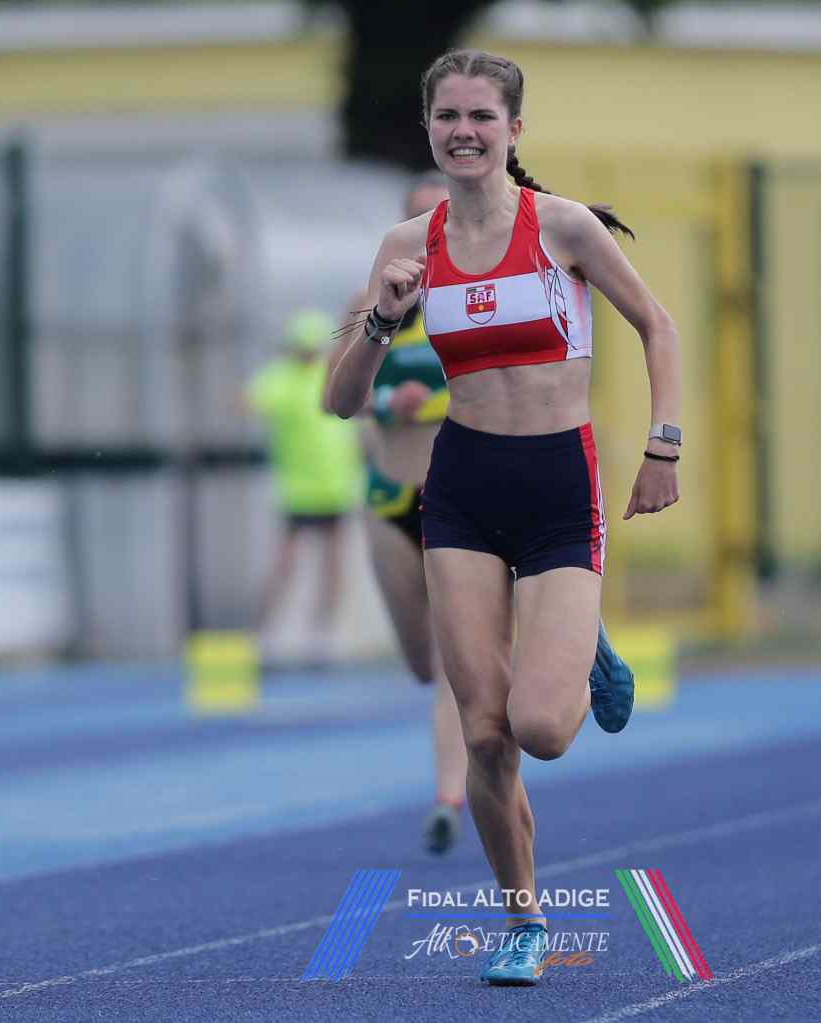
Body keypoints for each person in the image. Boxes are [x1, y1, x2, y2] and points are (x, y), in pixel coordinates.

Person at [326, 49, 682, 985]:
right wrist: (383, 320)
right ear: (429, 128)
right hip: (462, 489)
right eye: (448, 116)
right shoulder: (407, 244)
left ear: (514, 129)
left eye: (482, 116)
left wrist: (664, 446)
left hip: (558, 485)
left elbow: (658, 325)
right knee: (483, 732)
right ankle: (523, 919)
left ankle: (583, 641)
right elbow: (341, 400)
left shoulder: (562, 226)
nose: (465, 132)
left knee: (544, 729)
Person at [323, 173, 469, 856]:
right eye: (414, 220)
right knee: (420, 664)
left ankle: (449, 798)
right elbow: (334, 398)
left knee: (451, 661)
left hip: (458, 500)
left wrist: (432, 403)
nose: (425, 234)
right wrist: (388, 402)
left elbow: (516, 390)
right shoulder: (367, 303)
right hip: (388, 502)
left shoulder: (479, 300)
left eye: (437, 218)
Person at [245, 310, 363, 662]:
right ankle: (264, 635)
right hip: (299, 487)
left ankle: (321, 634)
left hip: (334, 483)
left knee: (330, 562)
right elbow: (249, 401)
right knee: (288, 562)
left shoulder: (326, 373)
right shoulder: (282, 377)